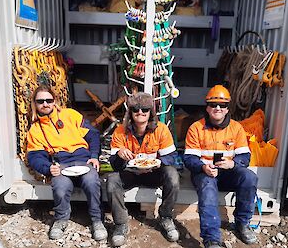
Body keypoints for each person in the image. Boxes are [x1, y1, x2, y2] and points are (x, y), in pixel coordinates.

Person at [26, 85, 107, 241]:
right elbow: (35, 156)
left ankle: (97, 220)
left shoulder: (70, 115)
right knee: (60, 187)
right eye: (40, 101)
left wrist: (94, 156)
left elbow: (93, 135)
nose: (45, 104)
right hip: (61, 163)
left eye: (49, 100)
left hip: (83, 159)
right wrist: (48, 168)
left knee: (92, 182)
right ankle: (61, 219)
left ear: (54, 101)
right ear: (35, 104)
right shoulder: (35, 129)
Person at [184, 85, 258, 248]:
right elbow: (189, 158)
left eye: (222, 105)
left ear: (227, 108)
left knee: (249, 177)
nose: (217, 108)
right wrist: (203, 167)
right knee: (208, 188)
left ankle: (242, 224)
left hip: (228, 172)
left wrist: (233, 163)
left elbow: (245, 156)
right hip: (204, 172)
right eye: (213, 104)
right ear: (207, 107)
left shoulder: (236, 128)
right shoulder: (196, 128)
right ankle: (212, 239)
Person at [107, 92, 180, 247]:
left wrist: (159, 163)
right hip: (130, 173)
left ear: (150, 112)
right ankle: (120, 224)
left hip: (154, 173)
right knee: (112, 180)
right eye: (136, 109)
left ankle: (166, 217)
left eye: (145, 109)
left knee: (172, 176)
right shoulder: (120, 131)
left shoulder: (161, 130)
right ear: (130, 112)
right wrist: (119, 155)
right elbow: (114, 165)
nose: (140, 112)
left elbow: (171, 157)